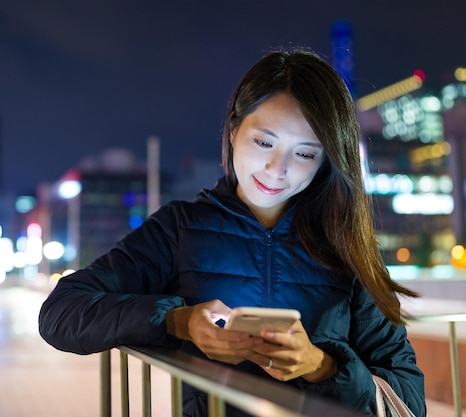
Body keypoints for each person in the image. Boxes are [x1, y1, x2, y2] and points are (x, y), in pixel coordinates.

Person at [38, 47, 426, 417]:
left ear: (327, 159)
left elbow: (407, 395)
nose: (278, 169)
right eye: (264, 141)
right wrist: (178, 321)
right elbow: (60, 312)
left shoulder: (342, 241)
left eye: (305, 153)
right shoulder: (181, 228)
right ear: (234, 128)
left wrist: (321, 366)